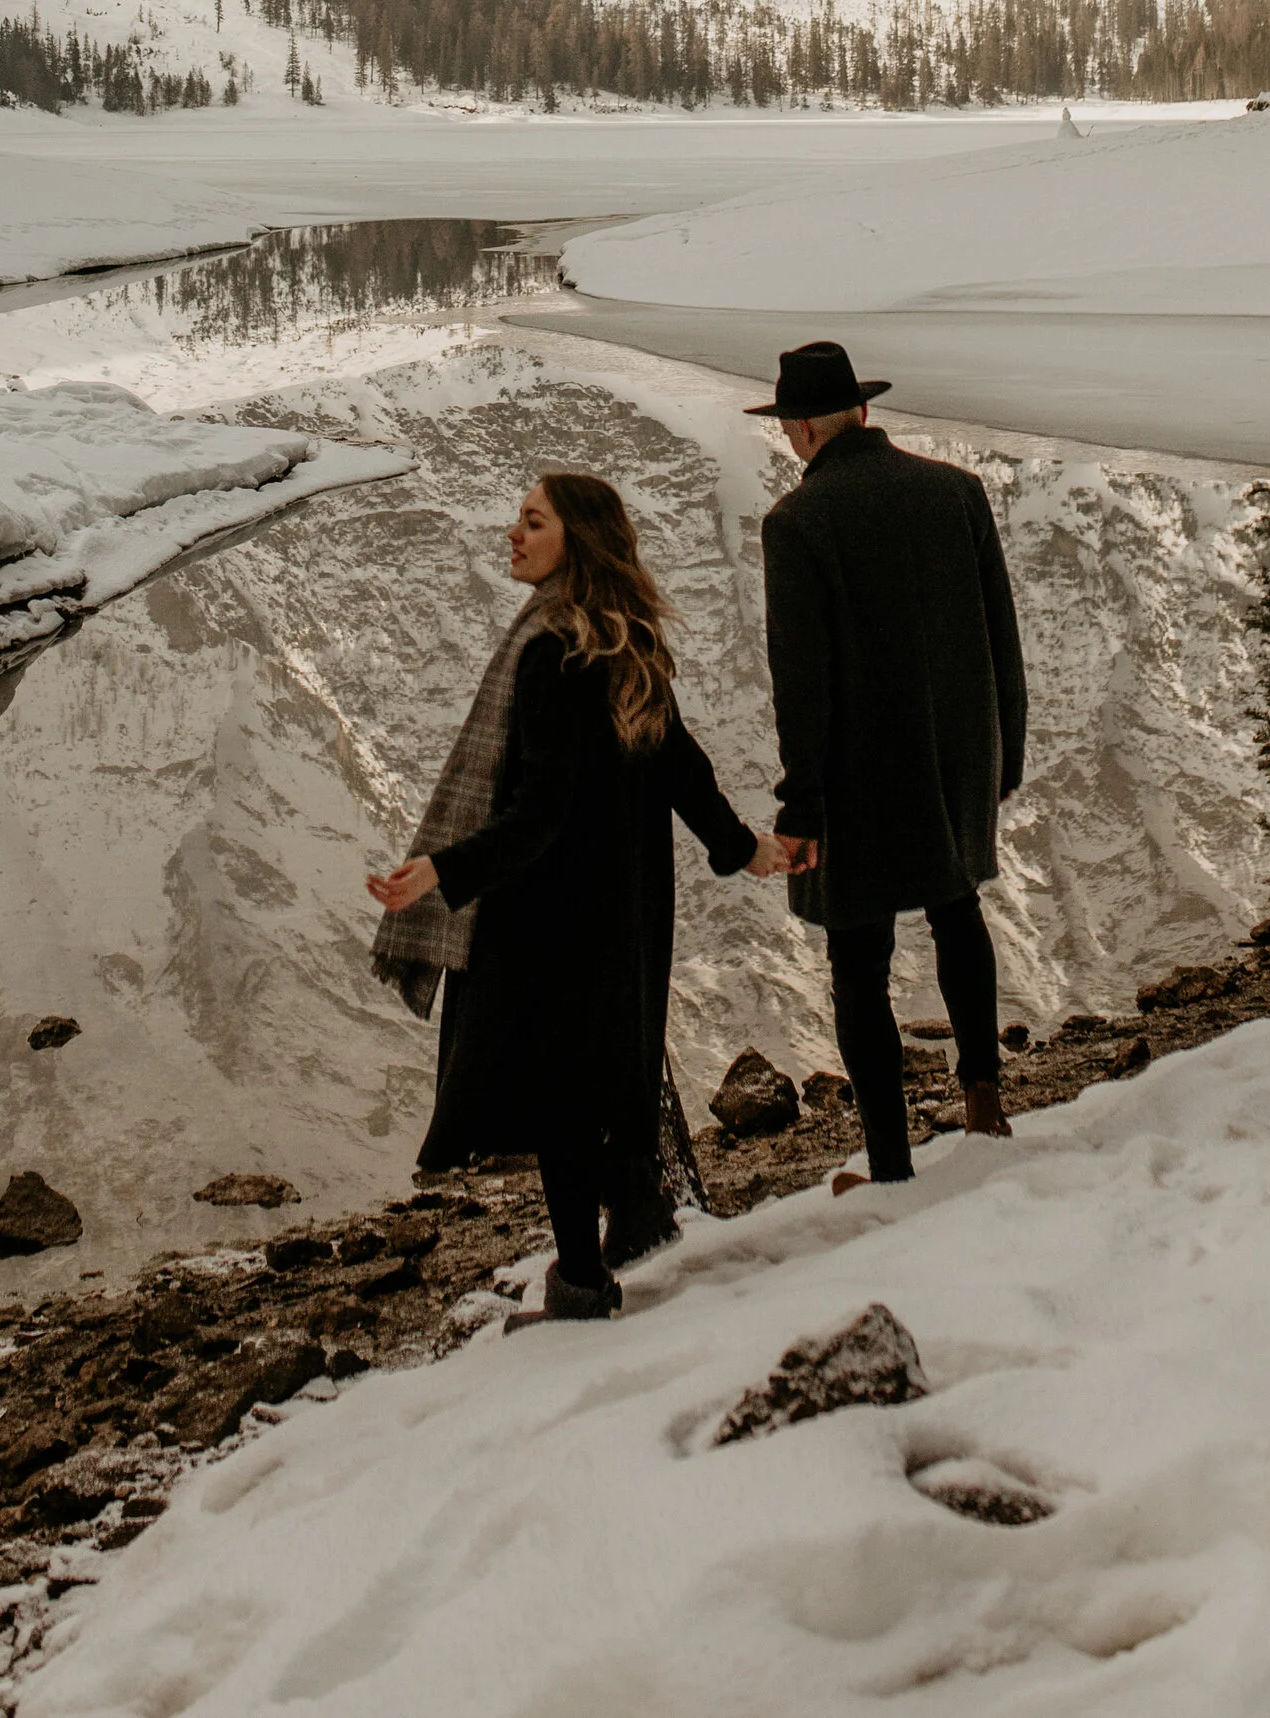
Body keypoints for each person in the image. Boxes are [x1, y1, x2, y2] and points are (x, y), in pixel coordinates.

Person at [367, 470, 788, 1321]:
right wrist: (744, 850)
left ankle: (584, 1287)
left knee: (556, 1100)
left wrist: (443, 871)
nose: (512, 536)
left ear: (578, 542)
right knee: (592, 1088)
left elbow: (539, 811)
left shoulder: (551, 651)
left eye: (532, 523)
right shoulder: (623, 640)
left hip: (547, 916)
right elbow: (680, 766)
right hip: (621, 910)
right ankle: (625, 1229)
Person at [754, 339, 1027, 1190]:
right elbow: (1002, 640)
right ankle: (984, 1101)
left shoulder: (797, 524)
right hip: (957, 761)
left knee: (858, 964)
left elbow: (802, 686)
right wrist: (1004, 759)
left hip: (859, 779)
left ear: (801, 429)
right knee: (957, 912)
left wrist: (800, 809)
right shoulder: (958, 493)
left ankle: (890, 1165)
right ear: (862, 412)